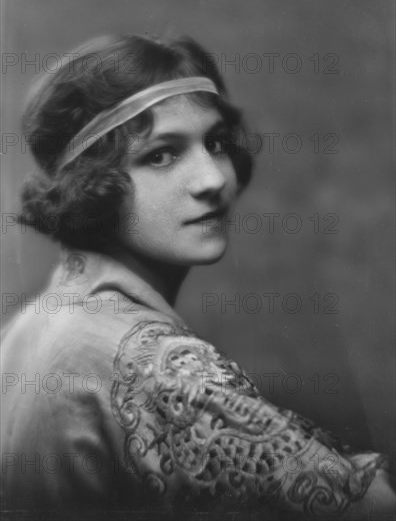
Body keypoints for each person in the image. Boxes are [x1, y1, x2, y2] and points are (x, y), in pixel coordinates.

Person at [1, 34, 395, 521]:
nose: (211, 179)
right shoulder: (156, 366)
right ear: (90, 186)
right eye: (161, 155)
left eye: (215, 143)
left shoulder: (35, 324)